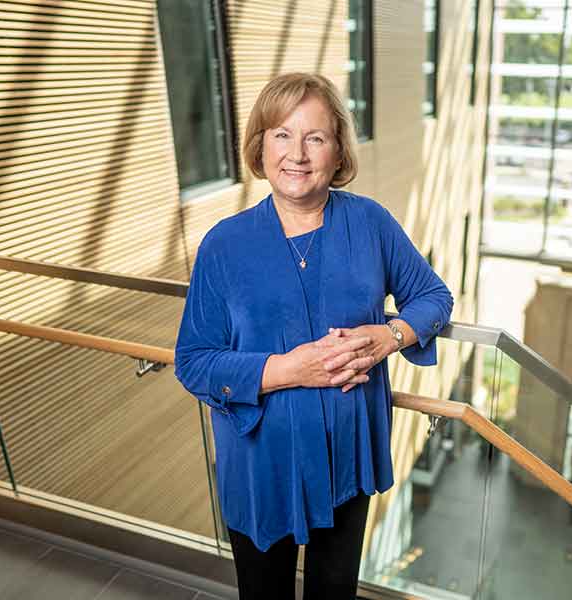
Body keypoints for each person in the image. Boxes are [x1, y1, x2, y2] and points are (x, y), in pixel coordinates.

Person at [174, 72, 453, 600]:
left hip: (349, 455)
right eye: (281, 134)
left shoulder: (371, 223)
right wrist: (287, 370)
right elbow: (193, 361)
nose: (296, 154)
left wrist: (391, 334)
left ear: (338, 150)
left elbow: (434, 298)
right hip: (260, 465)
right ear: (260, 145)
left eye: (315, 137)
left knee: (334, 592)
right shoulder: (223, 245)